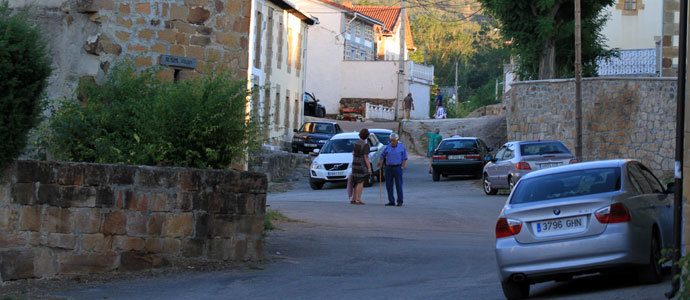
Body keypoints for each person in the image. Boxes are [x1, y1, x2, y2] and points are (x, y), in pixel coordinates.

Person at [378, 133, 408, 207]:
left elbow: (404, 158)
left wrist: (402, 167)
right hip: (389, 167)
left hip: (397, 167)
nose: (392, 142)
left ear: (397, 140)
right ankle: (391, 201)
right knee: (389, 185)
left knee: (399, 185)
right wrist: (380, 161)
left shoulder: (401, 147)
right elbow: (382, 155)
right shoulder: (388, 147)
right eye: (391, 140)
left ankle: (400, 201)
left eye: (393, 140)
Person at [350, 128, 372, 205]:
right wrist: (369, 168)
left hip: (355, 164)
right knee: (360, 182)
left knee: (355, 181)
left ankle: (353, 198)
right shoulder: (365, 145)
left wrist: (354, 161)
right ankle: (358, 199)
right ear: (367, 136)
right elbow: (366, 157)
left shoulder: (356, 143)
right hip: (361, 165)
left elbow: (353, 153)